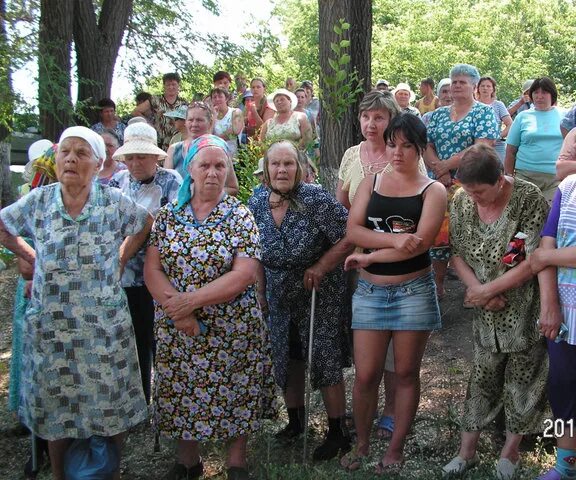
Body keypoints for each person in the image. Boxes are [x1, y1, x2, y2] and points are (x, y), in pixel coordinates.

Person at [0, 126, 152, 480]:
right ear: (55, 160)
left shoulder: (113, 202)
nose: (71, 159)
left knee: (109, 402)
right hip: (52, 325)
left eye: (82, 153)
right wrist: (31, 256)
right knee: (57, 407)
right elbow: (4, 225)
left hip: (103, 326)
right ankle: (59, 474)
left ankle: (110, 472)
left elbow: (144, 223)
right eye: (65, 152)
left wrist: (121, 255)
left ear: (99, 164)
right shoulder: (39, 201)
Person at [144, 134, 277, 480]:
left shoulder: (240, 215)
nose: (213, 173)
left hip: (231, 325)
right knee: (180, 385)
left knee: (236, 387)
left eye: (221, 165)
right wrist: (180, 311)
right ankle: (187, 461)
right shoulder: (168, 216)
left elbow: (245, 273)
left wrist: (191, 302)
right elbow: (152, 269)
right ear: (190, 169)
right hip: (178, 326)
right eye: (205, 165)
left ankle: (236, 463)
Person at [340, 114, 446, 475]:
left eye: (406, 146)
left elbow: (419, 247)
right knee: (366, 374)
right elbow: (354, 229)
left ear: (420, 149)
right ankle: (363, 443)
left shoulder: (433, 191)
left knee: (405, 373)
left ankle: (396, 447)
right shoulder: (372, 182)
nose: (397, 153)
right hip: (370, 290)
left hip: (413, 291)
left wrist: (370, 254)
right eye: (392, 144)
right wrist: (393, 239)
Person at [443, 144, 549, 479]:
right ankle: (466, 452)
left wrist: (488, 290)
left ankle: (510, 453)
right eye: (468, 190)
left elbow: (532, 257)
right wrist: (480, 292)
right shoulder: (461, 200)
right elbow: (456, 252)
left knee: (523, 381)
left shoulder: (528, 198)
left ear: (500, 181)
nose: (473, 197)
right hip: (483, 310)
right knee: (482, 380)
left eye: (479, 191)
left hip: (523, 307)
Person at [248, 140, 353, 461]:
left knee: (323, 358)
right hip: (279, 295)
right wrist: (260, 292)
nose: (282, 170)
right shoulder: (256, 202)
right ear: (266, 170)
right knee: (286, 355)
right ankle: (296, 422)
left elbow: (350, 235)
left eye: (288, 164)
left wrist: (321, 266)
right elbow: (252, 252)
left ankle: (338, 432)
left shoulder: (315, 199)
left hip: (318, 292)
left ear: (300, 168)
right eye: (276, 164)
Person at [108, 122, 182, 403]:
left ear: (155, 156)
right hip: (125, 275)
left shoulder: (172, 181)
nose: (135, 163)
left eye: (141, 156)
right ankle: (140, 398)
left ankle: (168, 398)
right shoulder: (117, 182)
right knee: (133, 336)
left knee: (160, 337)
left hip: (160, 273)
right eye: (130, 157)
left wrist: (136, 238)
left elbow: (171, 225)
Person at [425, 63, 499, 297]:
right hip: (438, 183)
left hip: (471, 185)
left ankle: (474, 288)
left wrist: (447, 165)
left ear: (474, 86)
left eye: (462, 82)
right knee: (438, 234)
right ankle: (437, 284)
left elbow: (482, 146)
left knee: (470, 234)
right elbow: (426, 145)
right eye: (453, 81)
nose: (456, 86)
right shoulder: (437, 115)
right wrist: (440, 170)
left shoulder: (484, 112)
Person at [10, 140, 56, 480]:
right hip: (39, 299)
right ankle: (38, 445)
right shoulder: (35, 200)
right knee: (39, 370)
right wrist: (37, 261)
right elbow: (23, 265)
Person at [530, 175, 576, 480]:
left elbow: (543, 254)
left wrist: (546, 255)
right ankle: (566, 465)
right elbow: (546, 241)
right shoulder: (568, 187)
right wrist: (549, 305)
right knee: (563, 390)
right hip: (565, 317)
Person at [504, 77, 564, 202]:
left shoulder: (564, 116)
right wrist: (508, 177)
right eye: (536, 92)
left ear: (552, 95)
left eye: (544, 92)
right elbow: (510, 151)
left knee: (549, 217)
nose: (539, 96)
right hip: (525, 176)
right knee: (525, 216)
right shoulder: (522, 117)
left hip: (555, 178)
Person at [164, 102, 239, 195]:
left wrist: (204, 195)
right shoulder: (174, 149)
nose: (194, 124)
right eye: (191, 120)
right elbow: (165, 186)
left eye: (199, 120)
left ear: (210, 122)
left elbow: (233, 188)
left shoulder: (219, 149)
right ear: (185, 122)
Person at [132, 72, 188, 151]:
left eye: (173, 84)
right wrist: (149, 124)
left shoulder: (184, 103)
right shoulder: (155, 99)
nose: (171, 87)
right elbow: (136, 111)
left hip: (177, 140)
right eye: (168, 84)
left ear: (178, 85)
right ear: (164, 86)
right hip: (159, 141)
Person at [476, 76, 512, 162]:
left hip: (497, 145)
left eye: (488, 86)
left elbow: (510, 124)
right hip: (476, 146)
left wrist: (498, 136)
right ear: (478, 88)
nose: (485, 88)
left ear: (493, 89)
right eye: (482, 86)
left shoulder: (498, 105)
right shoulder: (473, 105)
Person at [211, 87, 244, 158]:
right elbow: (208, 134)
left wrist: (214, 140)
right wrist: (213, 117)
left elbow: (235, 131)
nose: (217, 99)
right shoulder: (211, 116)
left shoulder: (235, 112)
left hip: (234, 158)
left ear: (226, 98)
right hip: (216, 157)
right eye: (214, 97)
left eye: (220, 96)